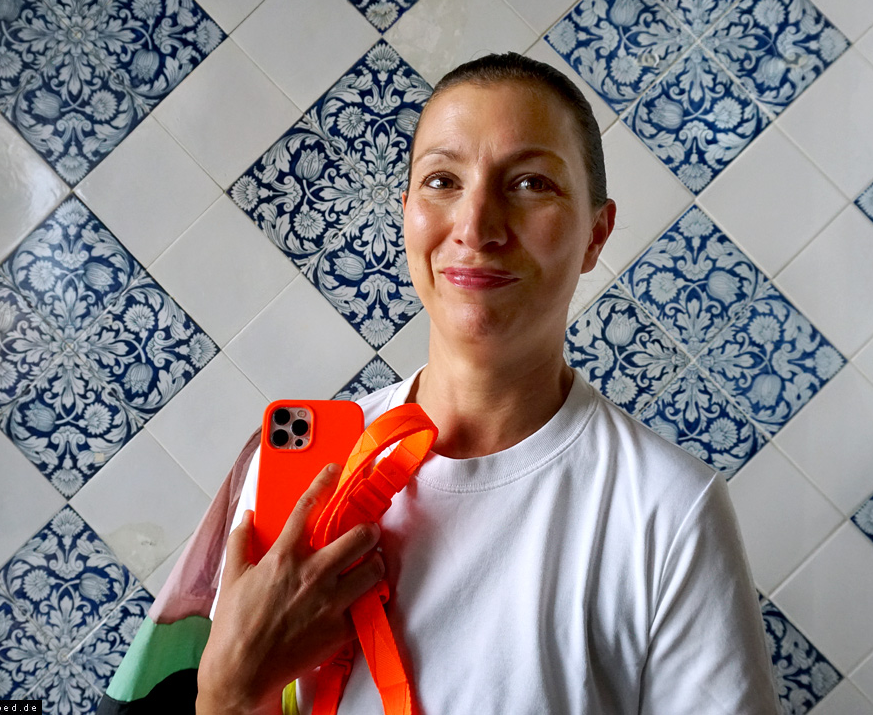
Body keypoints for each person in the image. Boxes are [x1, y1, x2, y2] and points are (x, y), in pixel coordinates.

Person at [193, 53, 779, 714]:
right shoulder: (298, 477)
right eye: (442, 181)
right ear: (406, 215)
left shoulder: (666, 511)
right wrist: (228, 693)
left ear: (596, 234)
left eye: (530, 184)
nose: (475, 227)